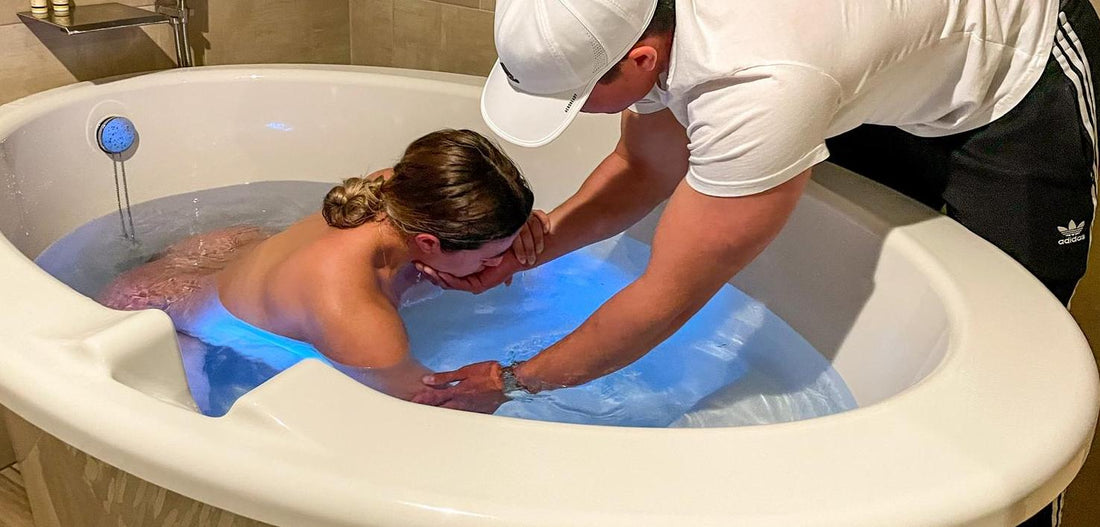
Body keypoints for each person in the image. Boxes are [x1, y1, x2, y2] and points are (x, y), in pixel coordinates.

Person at [411, 2, 1098, 524]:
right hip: (872, 57)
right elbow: (643, 165)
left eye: (576, 98)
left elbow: (665, 298)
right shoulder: (656, 21)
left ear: (642, 60)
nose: (577, 113)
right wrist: (530, 247)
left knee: (1015, 386)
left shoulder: (763, 84)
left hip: (1014, 82)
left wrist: (514, 378)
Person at [99, 129, 548, 401]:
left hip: (227, 252)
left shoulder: (394, 187)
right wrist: (509, 386)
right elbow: (435, 407)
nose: (500, 261)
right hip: (157, 311)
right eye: (492, 252)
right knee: (183, 413)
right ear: (428, 243)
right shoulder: (357, 316)